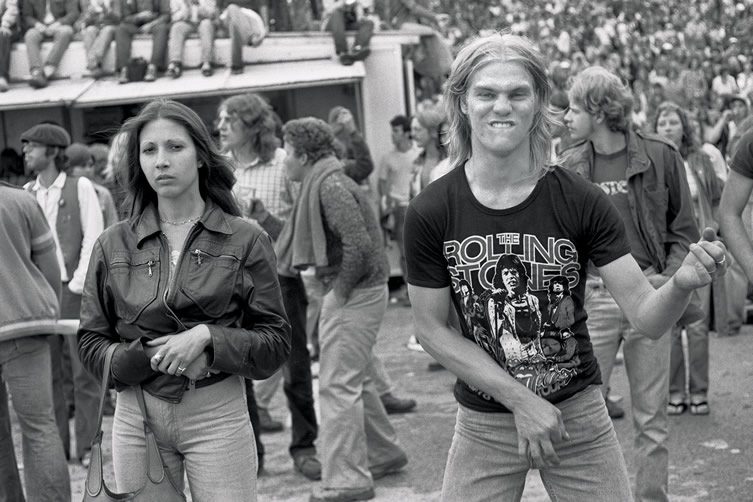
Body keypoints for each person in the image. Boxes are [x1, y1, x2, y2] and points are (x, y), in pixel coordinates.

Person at [405, 33, 725, 502]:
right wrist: (521, 401)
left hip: (578, 419)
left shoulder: (579, 198)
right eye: (486, 93)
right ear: (462, 102)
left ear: (538, 103)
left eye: (517, 93)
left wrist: (680, 284)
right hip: (483, 426)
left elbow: (645, 316)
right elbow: (431, 330)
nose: (502, 106)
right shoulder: (432, 209)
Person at [77, 99, 291, 501]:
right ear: (138, 162)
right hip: (135, 415)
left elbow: (276, 342)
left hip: (218, 413)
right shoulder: (112, 244)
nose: (161, 161)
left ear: (201, 157)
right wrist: (142, 357)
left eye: (175, 147)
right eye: (149, 150)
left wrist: (209, 339)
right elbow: (90, 342)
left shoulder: (246, 239)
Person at [561, 66, 701, 501]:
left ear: (599, 111)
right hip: (593, 299)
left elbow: (684, 230)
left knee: (651, 421)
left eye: (573, 107)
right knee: (582, 415)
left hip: (650, 294)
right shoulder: (568, 165)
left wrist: (670, 281)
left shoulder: (660, 155)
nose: (566, 116)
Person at [279, 117, 408, 502]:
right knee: (356, 379)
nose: (284, 159)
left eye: (286, 151)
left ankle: (348, 480)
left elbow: (359, 244)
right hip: (361, 289)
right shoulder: (327, 179)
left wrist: (339, 291)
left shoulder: (330, 185)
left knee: (337, 386)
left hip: (354, 292)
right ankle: (384, 455)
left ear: (302, 155)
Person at [216, 92, 321, 479]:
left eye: (231, 120)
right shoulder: (218, 168)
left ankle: (304, 447)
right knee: (238, 368)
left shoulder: (282, 163)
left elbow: (302, 228)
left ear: (254, 125)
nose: (222, 127)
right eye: (221, 120)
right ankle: (251, 453)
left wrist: (266, 219)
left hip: (281, 279)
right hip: (229, 281)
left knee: (294, 366)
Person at [22, 123, 105, 466]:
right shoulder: (26, 192)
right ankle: (57, 446)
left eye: (33, 146)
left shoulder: (80, 186)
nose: (26, 151)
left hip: (73, 288)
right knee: (48, 373)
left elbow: (94, 236)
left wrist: (77, 283)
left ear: (52, 151)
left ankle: (88, 448)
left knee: (84, 373)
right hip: (39, 293)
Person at [0, 181, 71, 502]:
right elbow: (50, 268)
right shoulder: (20, 200)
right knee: (40, 427)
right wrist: (47, 309)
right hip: (24, 324)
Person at [654, 101, 725, 416]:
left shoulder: (701, 158)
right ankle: (673, 392)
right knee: (669, 321)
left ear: (684, 125)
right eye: (662, 123)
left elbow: (719, 196)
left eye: (673, 121)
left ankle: (698, 391)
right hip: (665, 251)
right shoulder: (652, 162)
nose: (667, 127)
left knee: (696, 324)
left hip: (699, 245)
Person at [378, 114, 419, 300]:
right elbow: (382, 184)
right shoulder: (387, 158)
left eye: (395, 131)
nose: (392, 135)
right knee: (405, 252)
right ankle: (410, 290)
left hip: (418, 206)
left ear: (406, 133)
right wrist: (387, 202)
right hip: (400, 209)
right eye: (391, 131)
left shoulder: (418, 153)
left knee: (424, 249)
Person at [21, 0, 78, 88]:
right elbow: (27, 16)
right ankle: (36, 71)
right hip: (40, 26)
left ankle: (48, 70)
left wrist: (59, 23)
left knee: (65, 32)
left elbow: (73, 13)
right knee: (30, 35)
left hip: (60, 25)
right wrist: (36, 24)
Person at [114, 0, 170, 83]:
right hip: (135, 25)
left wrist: (151, 24)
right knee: (121, 29)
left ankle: (153, 67)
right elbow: (124, 18)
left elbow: (166, 15)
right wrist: (138, 17)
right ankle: (124, 69)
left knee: (162, 28)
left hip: (154, 24)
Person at [66, 142, 120, 228]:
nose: (88, 169)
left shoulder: (102, 193)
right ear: (70, 168)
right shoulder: (60, 192)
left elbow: (113, 225)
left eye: (91, 165)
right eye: (83, 166)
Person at [166, 0, 218, 78]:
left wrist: (199, 7)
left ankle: (207, 62)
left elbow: (212, 13)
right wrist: (185, 9)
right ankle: (175, 63)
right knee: (176, 27)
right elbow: (174, 17)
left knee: (206, 25)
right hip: (186, 22)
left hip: (202, 21)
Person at [328, 105, 374, 185]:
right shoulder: (322, 164)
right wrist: (353, 132)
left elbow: (365, 167)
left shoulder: (344, 166)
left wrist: (353, 133)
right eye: (339, 135)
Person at [216, 0, 265, 74]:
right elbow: (218, 7)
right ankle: (250, 38)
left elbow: (263, 5)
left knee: (234, 24)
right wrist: (219, 28)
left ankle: (237, 65)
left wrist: (266, 26)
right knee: (232, 8)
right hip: (228, 15)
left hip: (248, 17)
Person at [409, 106, 447, 198]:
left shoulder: (450, 160)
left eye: (417, 129)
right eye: (412, 129)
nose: (412, 134)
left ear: (432, 131)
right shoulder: (417, 162)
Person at [323, 0, 374, 65]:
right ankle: (343, 52)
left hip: (346, 24)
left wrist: (358, 7)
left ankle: (357, 49)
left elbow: (359, 18)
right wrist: (343, 2)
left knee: (368, 23)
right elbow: (328, 10)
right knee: (337, 12)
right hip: (331, 23)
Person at [80, 0, 120, 78]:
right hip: (96, 26)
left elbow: (118, 18)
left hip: (111, 26)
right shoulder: (87, 1)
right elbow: (85, 22)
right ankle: (95, 68)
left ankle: (92, 63)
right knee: (89, 30)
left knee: (107, 30)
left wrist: (104, 8)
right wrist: (89, 15)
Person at [0, 0, 18, 92]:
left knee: (3, 35)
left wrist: (5, 24)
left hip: (9, 25)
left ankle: (2, 77)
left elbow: (12, 9)